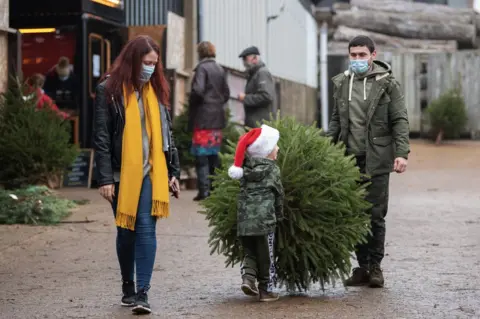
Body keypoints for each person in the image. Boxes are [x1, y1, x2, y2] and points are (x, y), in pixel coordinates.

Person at [93, 35, 180, 315]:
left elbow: (167, 136)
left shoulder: (157, 91)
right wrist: (105, 178)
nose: (150, 69)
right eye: (146, 63)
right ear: (132, 60)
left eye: (154, 64)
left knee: (145, 226)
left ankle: (143, 292)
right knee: (125, 232)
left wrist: (173, 171)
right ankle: (128, 286)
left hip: (151, 172)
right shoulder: (108, 90)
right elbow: (102, 139)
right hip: (120, 175)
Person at [326, 36, 410, 288]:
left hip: (377, 159)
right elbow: (336, 121)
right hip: (349, 160)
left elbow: (400, 119)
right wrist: (324, 149)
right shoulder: (342, 83)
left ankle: (375, 267)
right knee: (353, 214)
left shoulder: (388, 84)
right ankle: (361, 267)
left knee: (374, 215)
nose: (358, 60)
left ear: (373, 55)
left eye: (362, 55)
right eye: (354, 55)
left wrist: (402, 152)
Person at [228, 124, 284, 302]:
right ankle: (266, 290)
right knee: (266, 256)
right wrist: (279, 215)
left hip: (244, 220)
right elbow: (278, 194)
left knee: (250, 252)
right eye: (275, 146)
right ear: (267, 151)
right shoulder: (273, 169)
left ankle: (248, 279)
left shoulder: (245, 169)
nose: (278, 148)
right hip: (264, 222)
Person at [188, 41, 230, 201]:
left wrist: (193, 103)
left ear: (200, 53)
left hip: (203, 119)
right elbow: (226, 93)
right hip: (217, 119)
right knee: (214, 156)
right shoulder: (220, 69)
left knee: (201, 156)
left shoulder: (202, 68)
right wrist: (217, 104)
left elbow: (198, 90)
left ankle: (203, 191)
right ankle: (214, 190)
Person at [237, 46, 275, 128]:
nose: (244, 62)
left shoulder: (262, 73)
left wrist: (245, 98)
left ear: (254, 58)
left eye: (245, 59)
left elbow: (266, 96)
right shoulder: (254, 74)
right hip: (255, 123)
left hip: (260, 124)